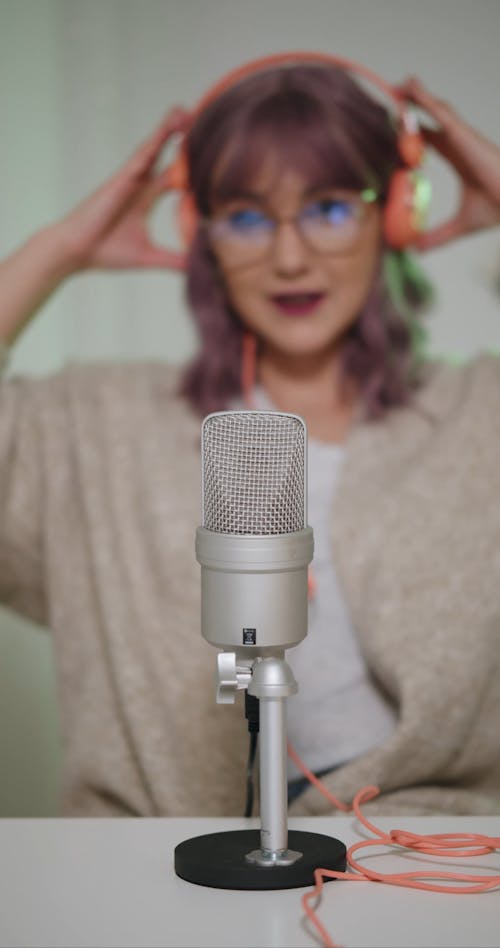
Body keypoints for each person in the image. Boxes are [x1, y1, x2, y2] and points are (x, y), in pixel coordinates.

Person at [1, 53, 499, 819]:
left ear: (395, 213)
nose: (289, 257)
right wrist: (57, 250)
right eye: (246, 216)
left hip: (419, 857)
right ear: (202, 232)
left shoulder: (479, 413)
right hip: (147, 862)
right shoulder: (95, 423)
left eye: (331, 207)